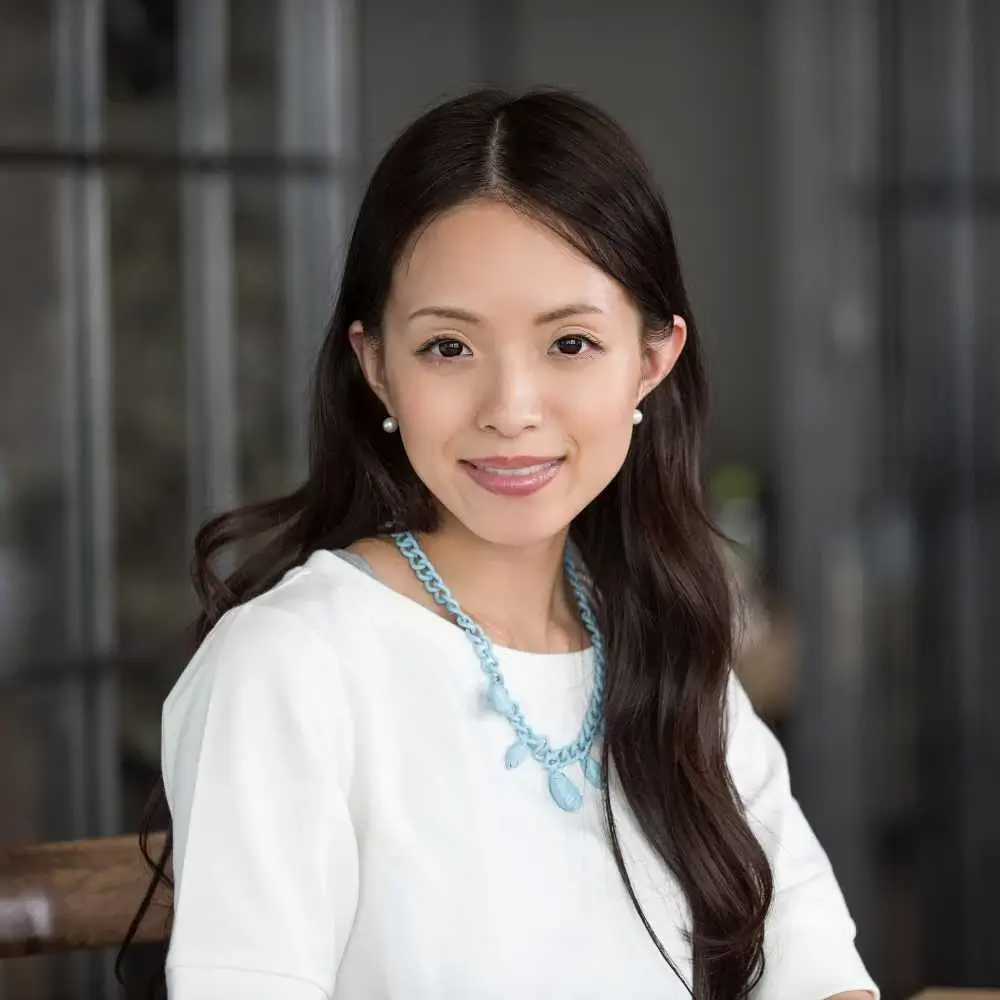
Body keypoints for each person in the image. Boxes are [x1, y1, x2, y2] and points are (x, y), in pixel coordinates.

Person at [124, 89, 879, 1000]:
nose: (511, 410)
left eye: (569, 342)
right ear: (377, 368)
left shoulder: (663, 634)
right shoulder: (291, 665)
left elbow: (812, 957)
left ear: (652, 358)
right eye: (449, 348)